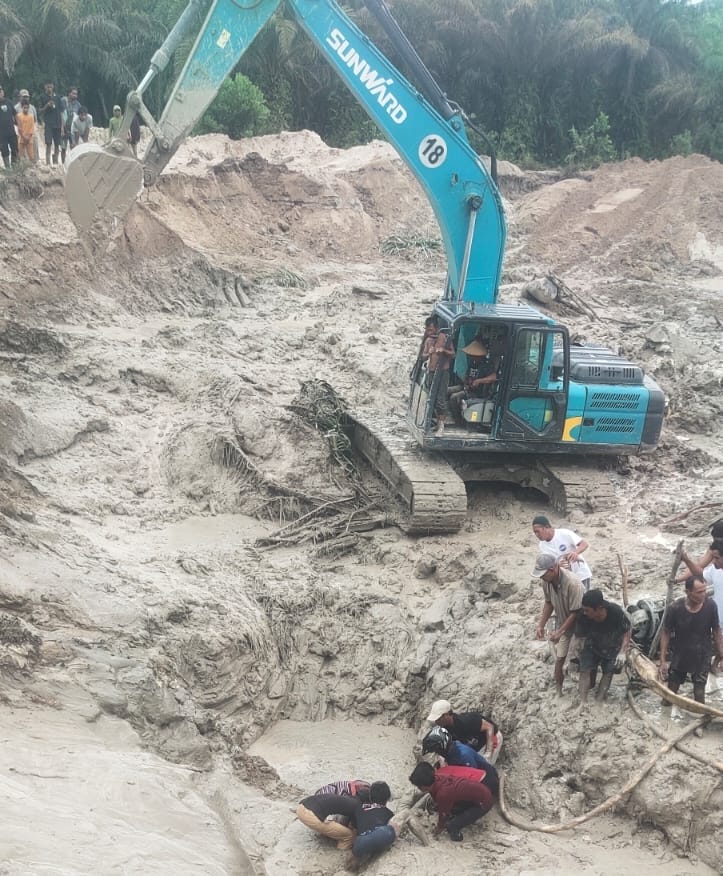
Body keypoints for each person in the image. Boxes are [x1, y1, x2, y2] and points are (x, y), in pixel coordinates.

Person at [659, 575, 722, 704]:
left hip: (702, 655)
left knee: (699, 697)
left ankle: (702, 721)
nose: (703, 595)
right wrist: (662, 660)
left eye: (704, 591)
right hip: (680, 655)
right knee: (669, 696)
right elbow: (666, 633)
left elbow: (716, 631)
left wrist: (721, 653)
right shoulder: (675, 608)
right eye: (699, 592)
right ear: (687, 592)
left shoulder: (710, 606)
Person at [533, 554, 584, 695]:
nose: (541, 577)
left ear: (553, 569)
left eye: (543, 574)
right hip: (565, 627)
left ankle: (585, 693)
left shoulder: (573, 583)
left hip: (581, 628)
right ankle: (559, 692)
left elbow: (576, 612)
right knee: (560, 660)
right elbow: (549, 603)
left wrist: (559, 632)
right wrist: (541, 625)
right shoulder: (547, 582)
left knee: (582, 660)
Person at [409, 761, 494, 843]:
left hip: (483, 802)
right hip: (477, 794)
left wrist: (438, 829)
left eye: (418, 786)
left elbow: (443, 816)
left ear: (423, 786)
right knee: (446, 808)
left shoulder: (443, 793)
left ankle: (458, 837)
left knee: (451, 825)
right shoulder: (437, 777)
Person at [573, 589, 631, 704]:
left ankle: (599, 700)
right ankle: (583, 702)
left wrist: (622, 652)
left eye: (587, 610)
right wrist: (575, 650)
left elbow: (627, 631)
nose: (584, 612)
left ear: (599, 608)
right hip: (592, 644)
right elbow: (578, 637)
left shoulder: (616, 612)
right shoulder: (583, 616)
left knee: (608, 672)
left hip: (612, 645)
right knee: (585, 670)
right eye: (584, 610)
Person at [421, 726, 499, 794]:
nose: (436, 753)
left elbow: (473, 778)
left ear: (441, 748)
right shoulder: (454, 749)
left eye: (436, 750)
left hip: (487, 781)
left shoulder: (463, 756)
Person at [424, 699, 502, 764]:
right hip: (475, 742)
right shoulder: (446, 728)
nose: (436, 721)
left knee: (485, 764)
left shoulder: (466, 721)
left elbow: (489, 727)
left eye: (438, 718)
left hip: (491, 737)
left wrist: (488, 752)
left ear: (446, 715)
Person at [532, 514, 593, 591]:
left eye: (538, 531)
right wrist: (558, 565)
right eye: (535, 532)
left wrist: (575, 553)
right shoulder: (542, 545)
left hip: (580, 575)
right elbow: (549, 564)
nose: (536, 535)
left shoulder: (564, 533)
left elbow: (584, 544)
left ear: (546, 527)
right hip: (564, 579)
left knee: (583, 600)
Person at [346, 782, 398, 870]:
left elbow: (354, 829)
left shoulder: (359, 808)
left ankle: (354, 865)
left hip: (360, 842)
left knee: (356, 858)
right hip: (380, 835)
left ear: (370, 796)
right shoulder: (389, 813)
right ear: (387, 799)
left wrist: (353, 848)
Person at [448, 338, 499, 423]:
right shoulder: (472, 364)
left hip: (477, 392)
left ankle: (458, 421)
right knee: (447, 390)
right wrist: (466, 381)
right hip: (467, 388)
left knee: (454, 397)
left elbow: (494, 376)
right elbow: (468, 376)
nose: (469, 356)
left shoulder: (486, 365)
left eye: (472, 355)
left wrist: (479, 381)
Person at [421, 325, 455, 436]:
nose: (429, 331)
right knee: (432, 398)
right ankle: (435, 422)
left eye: (431, 329)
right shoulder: (429, 340)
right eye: (427, 329)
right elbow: (423, 356)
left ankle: (441, 426)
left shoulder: (445, 338)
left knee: (440, 399)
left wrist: (444, 350)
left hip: (442, 373)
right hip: (431, 372)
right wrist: (429, 353)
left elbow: (453, 354)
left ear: (436, 328)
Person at [681, 538, 723, 623]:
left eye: (716, 558)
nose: (713, 562)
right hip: (719, 624)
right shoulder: (715, 570)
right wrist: (686, 560)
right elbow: (699, 575)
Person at [38, 82, 64, 165]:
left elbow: (61, 112)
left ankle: (55, 161)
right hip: (48, 124)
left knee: (57, 144)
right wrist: (47, 105)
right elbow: (40, 111)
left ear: (53, 87)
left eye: (51, 87)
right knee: (48, 143)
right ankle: (48, 162)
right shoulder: (42, 97)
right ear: (45, 87)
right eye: (48, 87)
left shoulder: (58, 97)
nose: (49, 88)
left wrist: (62, 126)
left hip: (57, 123)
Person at [61, 87, 80, 162]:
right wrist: (62, 128)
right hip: (64, 127)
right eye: (73, 93)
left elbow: (79, 117)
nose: (75, 95)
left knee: (74, 147)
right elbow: (60, 114)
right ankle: (63, 164)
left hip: (73, 129)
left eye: (76, 94)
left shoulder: (78, 105)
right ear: (69, 93)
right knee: (63, 148)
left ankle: (73, 164)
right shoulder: (63, 101)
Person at [0, 85, 18, 168]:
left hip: (11, 131)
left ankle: (14, 167)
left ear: (3, 92)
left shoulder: (9, 102)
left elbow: (15, 114)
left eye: (0, 91)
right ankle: (7, 168)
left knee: (14, 148)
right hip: (1, 133)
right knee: (4, 151)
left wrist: (18, 125)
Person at [15, 97, 36, 163]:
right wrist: (23, 137)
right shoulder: (19, 116)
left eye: (27, 108)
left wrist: (28, 137)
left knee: (31, 156)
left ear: (29, 107)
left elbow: (32, 128)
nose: (26, 109)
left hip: (29, 139)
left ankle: (32, 168)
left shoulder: (31, 117)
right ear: (22, 107)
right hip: (21, 138)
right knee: (20, 155)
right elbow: (19, 128)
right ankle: (20, 168)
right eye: (24, 107)